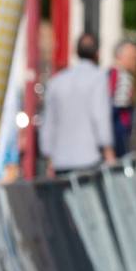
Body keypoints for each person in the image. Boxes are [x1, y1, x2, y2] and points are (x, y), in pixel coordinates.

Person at [39, 33, 117, 173]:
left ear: (76, 52)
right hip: (88, 157)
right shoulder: (98, 78)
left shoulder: (57, 80)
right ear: (98, 53)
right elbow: (100, 115)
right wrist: (108, 151)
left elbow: (49, 121)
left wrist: (48, 155)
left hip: (60, 159)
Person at [109, 39, 136, 157]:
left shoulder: (110, 73)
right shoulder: (123, 78)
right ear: (122, 57)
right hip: (119, 133)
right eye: (133, 58)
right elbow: (116, 109)